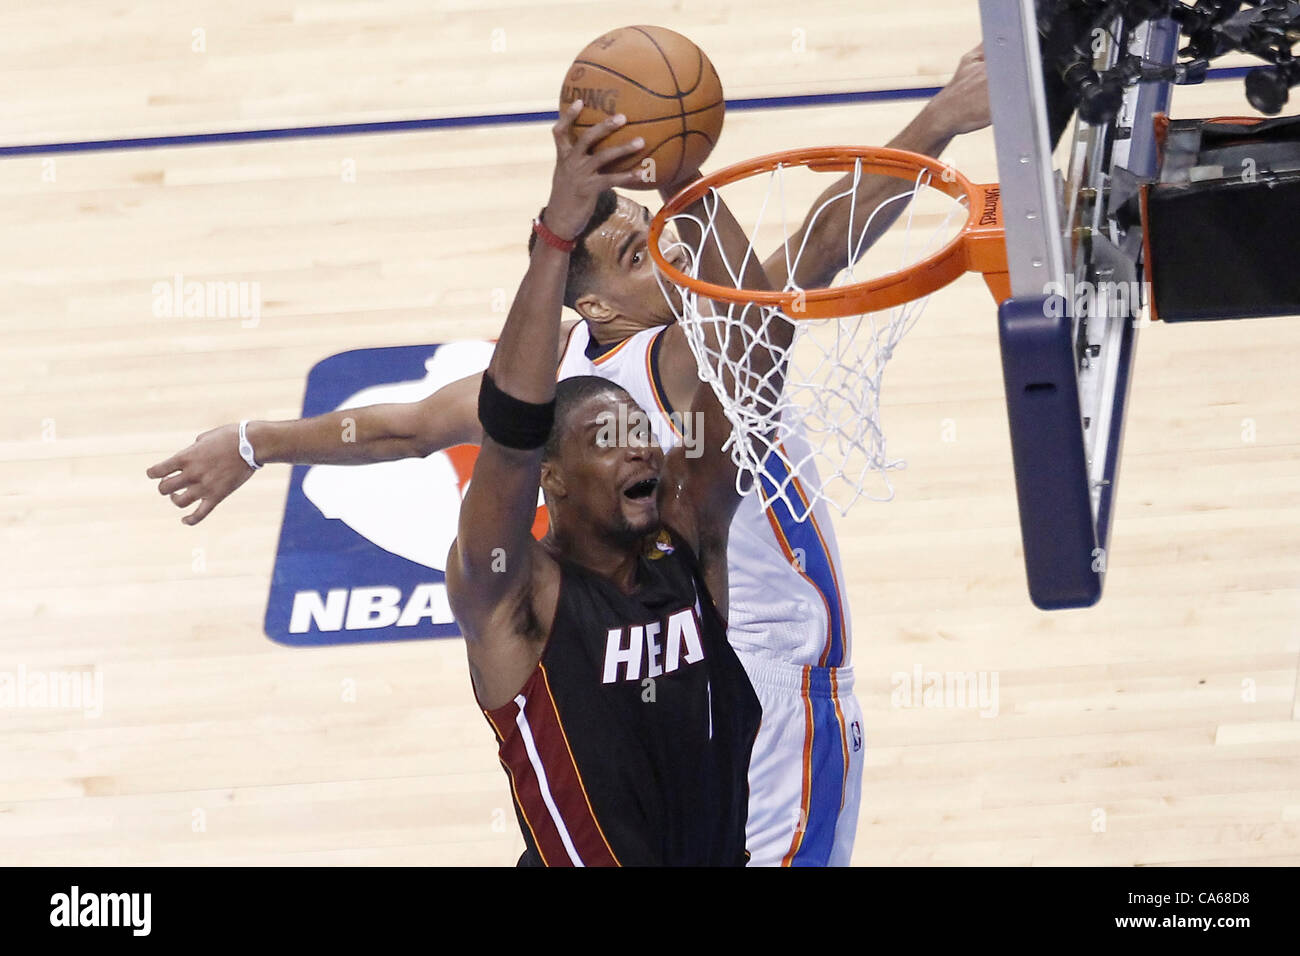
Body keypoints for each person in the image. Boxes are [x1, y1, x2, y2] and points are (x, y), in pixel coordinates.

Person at [147, 46, 992, 865]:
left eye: (660, 235)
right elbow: (398, 427)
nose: (663, 250)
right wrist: (251, 443)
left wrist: (944, 116)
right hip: (753, 678)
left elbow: (811, 253)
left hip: (722, 669)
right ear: (591, 301)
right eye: (636, 252)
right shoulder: (653, 360)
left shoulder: (604, 361)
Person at [451, 103, 788, 864]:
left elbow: (758, 345)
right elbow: (506, 437)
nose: (637, 448)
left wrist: (682, 175)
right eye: (606, 438)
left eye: (640, 431)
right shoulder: (515, 598)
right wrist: (555, 239)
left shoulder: (689, 538)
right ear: (555, 481)